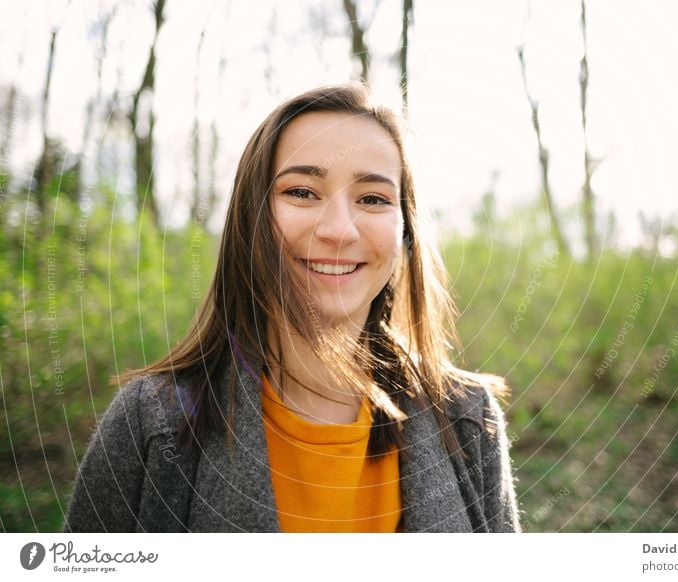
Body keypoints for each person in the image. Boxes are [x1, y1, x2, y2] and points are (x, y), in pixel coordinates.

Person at [64, 83, 521, 533]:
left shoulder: (466, 418)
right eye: (302, 192)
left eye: (373, 199)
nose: (339, 230)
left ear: (405, 230)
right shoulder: (152, 420)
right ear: (250, 219)